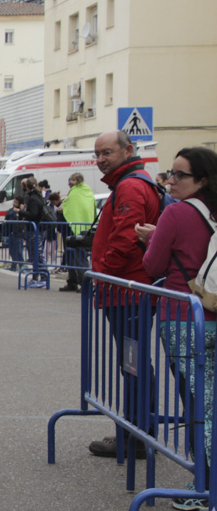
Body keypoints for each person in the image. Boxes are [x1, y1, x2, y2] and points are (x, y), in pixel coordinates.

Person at [134, 147, 217, 511]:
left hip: (183, 316)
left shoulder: (177, 213)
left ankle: (207, 487)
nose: (171, 181)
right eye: (170, 173)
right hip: (212, 313)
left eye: (179, 175)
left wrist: (151, 238)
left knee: (199, 403)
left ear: (201, 180)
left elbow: (152, 266)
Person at [86, 130, 162, 459]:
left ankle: (136, 437)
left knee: (132, 365)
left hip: (128, 291)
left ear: (127, 150)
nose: (101, 159)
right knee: (133, 364)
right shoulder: (132, 182)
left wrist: (102, 274)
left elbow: (124, 238)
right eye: (97, 154)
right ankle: (138, 433)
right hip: (128, 290)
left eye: (107, 152)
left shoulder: (131, 185)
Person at [59, 172, 95, 292]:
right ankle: (72, 281)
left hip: (78, 230)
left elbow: (69, 207)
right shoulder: (85, 191)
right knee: (70, 257)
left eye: (73, 180)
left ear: (78, 180)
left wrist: (62, 208)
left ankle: (86, 283)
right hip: (75, 229)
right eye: (70, 179)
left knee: (79, 258)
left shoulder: (77, 192)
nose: (70, 182)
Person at [18, 177, 48, 286]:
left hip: (35, 229)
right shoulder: (39, 196)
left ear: (27, 187)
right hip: (37, 228)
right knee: (35, 254)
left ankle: (43, 277)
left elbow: (33, 214)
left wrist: (20, 211)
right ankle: (37, 277)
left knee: (37, 254)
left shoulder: (33, 198)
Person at [4, 195, 26, 270]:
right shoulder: (11, 210)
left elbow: (22, 218)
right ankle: (14, 265)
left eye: (16, 202)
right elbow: (7, 217)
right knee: (12, 250)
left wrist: (21, 209)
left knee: (19, 250)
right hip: (11, 232)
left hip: (18, 232)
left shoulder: (21, 211)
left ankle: (21, 266)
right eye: (14, 201)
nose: (14, 203)